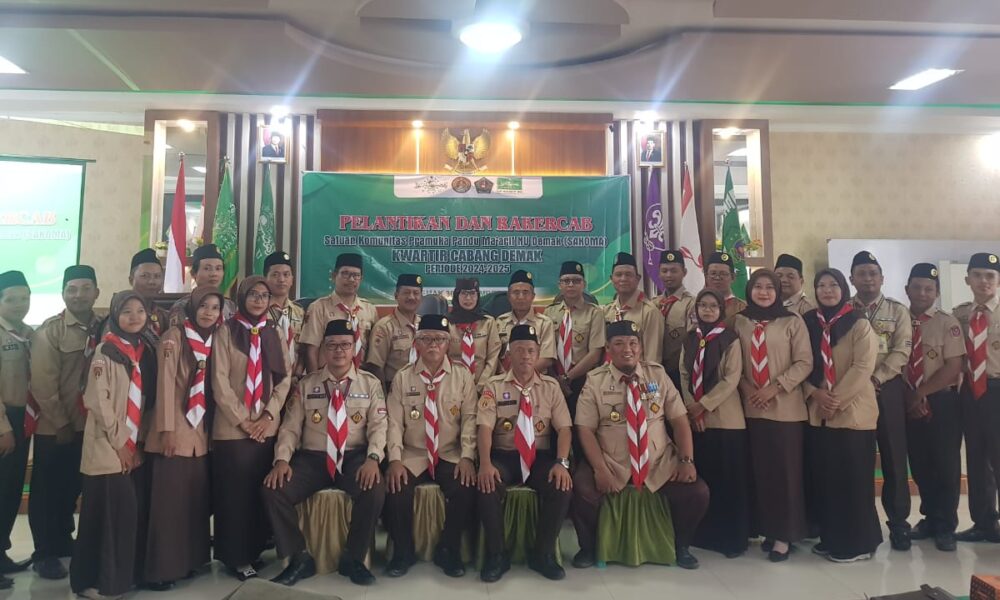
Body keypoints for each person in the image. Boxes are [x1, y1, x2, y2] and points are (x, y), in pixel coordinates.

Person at [571, 320, 709, 571]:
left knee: (697, 493)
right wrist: (600, 469)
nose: (628, 349)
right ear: (608, 349)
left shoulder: (657, 375)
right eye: (619, 344)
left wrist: (686, 460)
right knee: (582, 491)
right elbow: (585, 430)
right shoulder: (595, 380)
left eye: (633, 343)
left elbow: (679, 420)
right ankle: (588, 547)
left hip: (658, 462)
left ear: (641, 348)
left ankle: (682, 546)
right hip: (612, 461)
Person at [263, 319, 386, 587]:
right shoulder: (307, 384)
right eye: (332, 345)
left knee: (374, 489)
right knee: (274, 489)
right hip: (313, 458)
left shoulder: (370, 384)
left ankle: (354, 558)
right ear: (322, 350)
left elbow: (379, 426)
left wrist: (373, 458)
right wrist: (281, 460)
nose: (339, 351)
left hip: (354, 456)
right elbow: (290, 427)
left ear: (354, 348)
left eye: (345, 345)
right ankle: (298, 557)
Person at [70, 290, 156, 598]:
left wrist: (137, 443)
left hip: (133, 444)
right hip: (108, 446)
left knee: (122, 516)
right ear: (115, 316)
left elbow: (145, 400)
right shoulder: (105, 351)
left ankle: (118, 578)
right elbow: (97, 401)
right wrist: (121, 443)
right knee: (105, 517)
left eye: (140, 311)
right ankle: (93, 582)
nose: (134, 317)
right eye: (126, 311)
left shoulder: (143, 351)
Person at [384, 314, 477, 578]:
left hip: (448, 452)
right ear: (416, 344)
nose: (433, 344)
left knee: (465, 487)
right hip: (413, 453)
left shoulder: (462, 376)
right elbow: (393, 423)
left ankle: (449, 549)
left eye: (439, 339)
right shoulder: (403, 377)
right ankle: (403, 552)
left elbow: (470, 419)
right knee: (395, 488)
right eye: (426, 339)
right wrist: (394, 460)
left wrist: (467, 457)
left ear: (448, 344)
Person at [477, 324, 572, 582]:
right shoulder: (494, 386)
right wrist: (484, 463)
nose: (526, 356)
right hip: (504, 455)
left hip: (539, 456)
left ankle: (543, 554)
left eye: (531, 350)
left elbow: (564, 428)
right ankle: (497, 555)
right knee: (487, 485)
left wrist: (562, 463)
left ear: (538, 353)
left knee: (561, 487)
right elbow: (484, 428)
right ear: (509, 354)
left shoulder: (551, 387)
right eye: (519, 350)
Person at [143, 286, 224, 589]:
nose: (208, 313)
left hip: (199, 433)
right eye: (203, 306)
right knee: (168, 504)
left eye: (214, 308)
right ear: (191, 308)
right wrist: (166, 430)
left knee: (193, 501)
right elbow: (165, 386)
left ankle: (190, 561)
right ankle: (162, 569)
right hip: (175, 429)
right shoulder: (174, 337)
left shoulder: (214, 339)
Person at [210, 276, 290, 581]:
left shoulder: (274, 332)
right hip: (233, 430)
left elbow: (285, 378)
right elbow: (219, 381)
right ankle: (236, 556)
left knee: (259, 493)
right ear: (242, 297)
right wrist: (244, 420)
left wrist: (268, 416)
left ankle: (254, 551)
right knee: (235, 496)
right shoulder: (226, 331)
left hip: (265, 429)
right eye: (253, 294)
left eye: (264, 295)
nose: (258, 300)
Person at [802, 268, 883, 562]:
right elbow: (800, 362)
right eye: (821, 285)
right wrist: (815, 393)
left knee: (853, 481)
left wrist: (834, 400)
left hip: (852, 413)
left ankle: (858, 544)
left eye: (833, 285)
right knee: (828, 480)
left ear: (843, 289)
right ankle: (832, 536)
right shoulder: (809, 322)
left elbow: (863, 367)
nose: (827, 290)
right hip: (819, 413)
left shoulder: (858, 322)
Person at [28, 265, 103, 580]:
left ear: (96, 292)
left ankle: (62, 540)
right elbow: (43, 383)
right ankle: (44, 553)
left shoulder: (104, 327)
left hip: (89, 427)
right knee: (48, 491)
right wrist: (61, 423)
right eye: (72, 289)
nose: (78, 295)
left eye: (86, 289)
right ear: (62, 293)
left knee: (73, 487)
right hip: (56, 427)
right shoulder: (51, 331)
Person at [733, 269, 812, 562]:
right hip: (750, 407)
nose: (764, 292)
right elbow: (733, 362)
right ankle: (766, 528)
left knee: (785, 475)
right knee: (760, 473)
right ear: (749, 290)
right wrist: (746, 388)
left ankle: (784, 535)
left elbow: (804, 362)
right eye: (758, 287)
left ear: (778, 292)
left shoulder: (792, 321)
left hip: (785, 409)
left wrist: (774, 388)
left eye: (769, 287)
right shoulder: (739, 321)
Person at [849, 250, 913, 550]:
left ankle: (899, 524)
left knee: (894, 459)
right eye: (861, 274)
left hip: (886, 390)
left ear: (882, 278)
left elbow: (901, 351)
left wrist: (876, 379)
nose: (868, 279)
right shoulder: (843, 309)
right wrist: (857, 383)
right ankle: (861, 523)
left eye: (873, 273)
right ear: (851, 279)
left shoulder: (897, 311)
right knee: (856, 459)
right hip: (852, 391)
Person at [678, 290, 748, 558]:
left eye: (713, 306)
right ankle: (703, 534)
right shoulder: (689, 339)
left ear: (721, 310)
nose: (707, 310)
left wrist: (703, 405)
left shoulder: (730, 339)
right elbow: (684, 374)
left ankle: (730, 540)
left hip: (724, 419)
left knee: (727, 481)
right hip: (695, 418)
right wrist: (691, 406)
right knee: (704, 478)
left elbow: (731, 378)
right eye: (702, 306)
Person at [903, 263, 964, 552]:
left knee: (946, 464)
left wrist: (921, 393)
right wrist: (910, 397)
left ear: (936, 293)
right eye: (916, 287)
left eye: (929, 289)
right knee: (920, 463)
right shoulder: (898, 320)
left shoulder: (947, 323)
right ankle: (929, 517)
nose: (922, 293)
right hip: (907, 400)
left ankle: (946, 525)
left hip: (941, 401)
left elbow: (953, 366)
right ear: (907, 289)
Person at [954, 252, 1000, 543]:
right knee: (976, 459)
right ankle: (984, 523)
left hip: (998, 389)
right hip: (970, 392)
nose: (984, 281)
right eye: (978, 275)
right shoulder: (959, 315)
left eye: (990, 276)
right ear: (967, 279)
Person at [0, 271, 33, 587]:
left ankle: (2, 553)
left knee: (10, 491)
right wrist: (3, 428)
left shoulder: (28, 333)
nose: (20, 304)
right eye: (12, 299)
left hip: (23, 418)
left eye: (25, 298)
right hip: (4, 421)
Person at [542, 261, 605, 423]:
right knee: (554, 427)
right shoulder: (549, 312)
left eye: (576, 281)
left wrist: (567, 378)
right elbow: (545, 349)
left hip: (583, 380)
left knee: (581, 427)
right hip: (553, 379)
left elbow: (595, 354)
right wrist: (555, 378)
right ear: (559, 285)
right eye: (566, 281)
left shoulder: (594, 313)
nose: (571, 285)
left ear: (584, 284)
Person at [300, 253, 378, 373]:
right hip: (327, 376)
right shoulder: (318, 308)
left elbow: (374, 352)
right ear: (334, 276)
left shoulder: (369, 310)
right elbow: (311, 350)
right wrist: (314, 380)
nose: (351, 279)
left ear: (361, 279)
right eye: (345, 274)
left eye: (356, 275)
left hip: (361, 377)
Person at [602, 252, 663, 363]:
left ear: (638, 278)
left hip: (637, 373)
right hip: (608, 372)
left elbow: (652, 359)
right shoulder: (607, 311)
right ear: (611, 279)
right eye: (618, 275)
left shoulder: (649, 312)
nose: (623, 279)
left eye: (628, 274)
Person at [365, 274, 422, 391]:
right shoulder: (384, 327)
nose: (411, 297)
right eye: (406, 293)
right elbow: (376, 367)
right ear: (396, 295)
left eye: (416, 293)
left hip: (422, 388)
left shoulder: (424, 325)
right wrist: (384, 396)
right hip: (394, 389)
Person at [496, 270, 556, 374]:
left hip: (536, 379)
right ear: (509, 296)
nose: (521, 297)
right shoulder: (499, 322)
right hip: (503, 378)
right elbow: (493, 356)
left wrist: (521, 377)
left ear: (533, 296)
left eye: (525, 292)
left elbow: (547, 359)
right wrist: (505, 377)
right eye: (516, 293)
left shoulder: (544, 323)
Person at [448, 278, 501, 390]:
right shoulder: (447, 324)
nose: (468, 298)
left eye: (472, 293)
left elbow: (493, 358)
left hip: (482, 386)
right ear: (457, 296)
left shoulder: (488, 322)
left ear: (478, 296)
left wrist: (481, 387)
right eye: (464, 293)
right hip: (452, 386)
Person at [655, 250, 696, 389]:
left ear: (684, 272)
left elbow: (693, 341)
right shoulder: (653, 304)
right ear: (659, 273)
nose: (668, 275)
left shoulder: (692, 304)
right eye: (664, 271)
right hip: (654, 371)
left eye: (674, 271)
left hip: (679, 373)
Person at [169, 244, 236, 327]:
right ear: (193, 274)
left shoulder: (230, 305)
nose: (214, 274)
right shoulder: (182, 306)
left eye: (218, 268)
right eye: (207, 268)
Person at [264, 251, 304, 377]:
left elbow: (304, 349)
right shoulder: (259, 311)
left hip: (296, 378)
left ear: (292, 279)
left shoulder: (300, 312)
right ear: (265, 279)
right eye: (275, 275)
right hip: (267, 378)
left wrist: (298, 374)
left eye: (286, 275)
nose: (281, 280)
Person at [129, 249, 170, 337]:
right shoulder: (121, 315)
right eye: (145, 276)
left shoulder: (164, 316)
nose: (152, 282)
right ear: (131, 280)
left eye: (157, 276)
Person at [701, 251, 747, 324]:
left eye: (723, 274)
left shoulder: (742, 307)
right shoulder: (697, 305)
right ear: (706, 276)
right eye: (713, 273)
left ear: (733, 277)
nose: (717, 278)